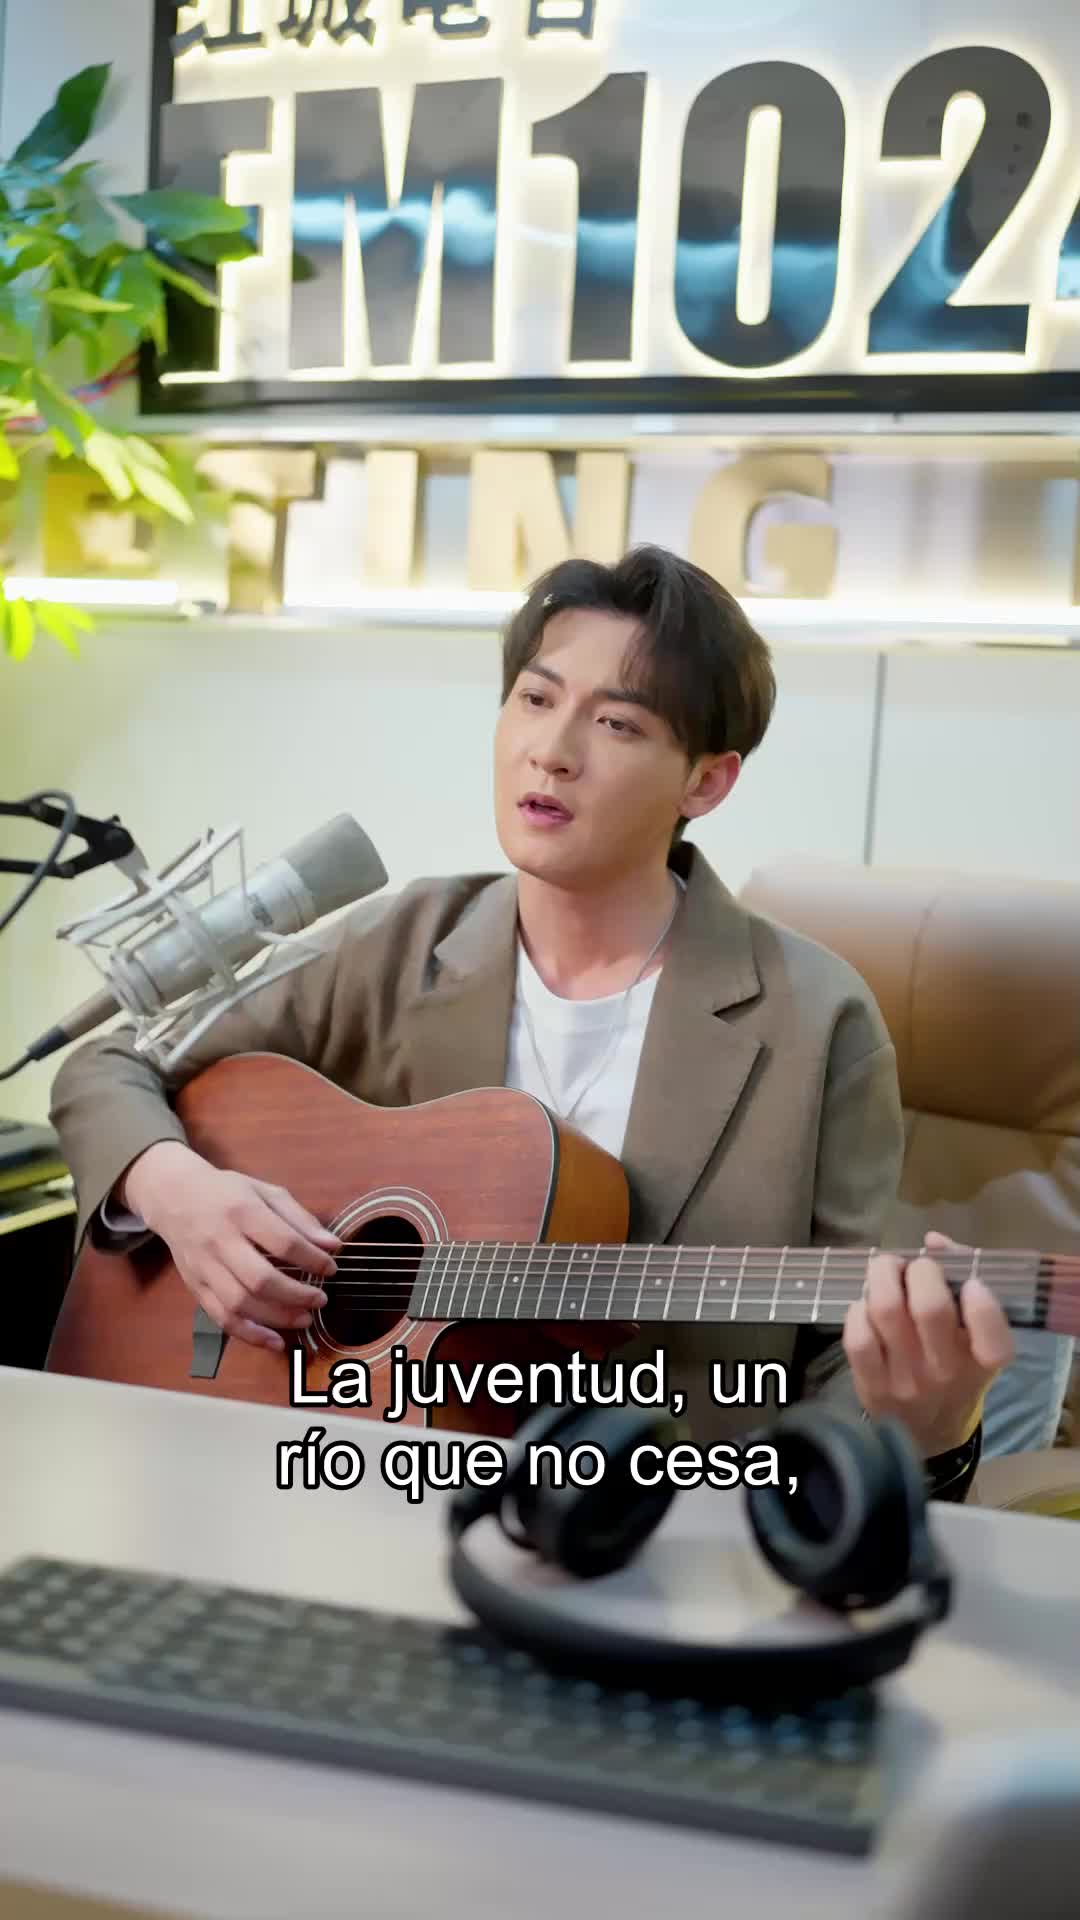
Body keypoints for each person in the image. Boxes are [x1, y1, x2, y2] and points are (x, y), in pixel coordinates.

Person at [49, 546, 1014, 1499]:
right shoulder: (402, 939)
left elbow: (842, 1360)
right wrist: (180, 1193)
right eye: (536, 698)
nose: (552, 751)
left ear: (706, 783)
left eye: (618, 723)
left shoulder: (819, 1018)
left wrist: (924, 1436)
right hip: (345, 1486)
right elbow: (109, 1068)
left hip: (663, 1522)